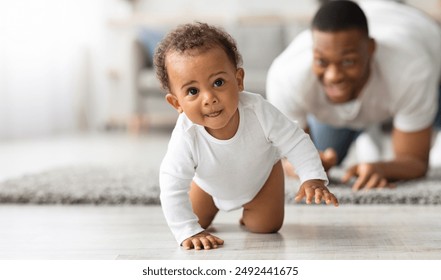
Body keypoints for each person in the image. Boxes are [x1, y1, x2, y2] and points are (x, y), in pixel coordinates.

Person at [154, 22, 339, 250]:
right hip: (208, 187)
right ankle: (203, 215)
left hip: (260, 181)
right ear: (176, 103)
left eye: (218, 83)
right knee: (194, 223)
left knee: (266, 227)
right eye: (193, 91)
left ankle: (250, 211)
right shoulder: (186, 135)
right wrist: (187, 231)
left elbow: (296, 140)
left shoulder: (259, 111)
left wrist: (312, 178)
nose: (209, 98)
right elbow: (172, 184)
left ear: (238, 80)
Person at [267, 0, 441, 191]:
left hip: (423, 53)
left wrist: (382, 168)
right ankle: (366, 134)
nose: (333, 76)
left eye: (348, 62)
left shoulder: (410, 70)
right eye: (322, 62)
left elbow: (415, 161)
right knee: (324, 157)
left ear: (371, 49)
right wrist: (304, 166)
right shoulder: (285, 77)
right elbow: (283, 160)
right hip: (344, 105)